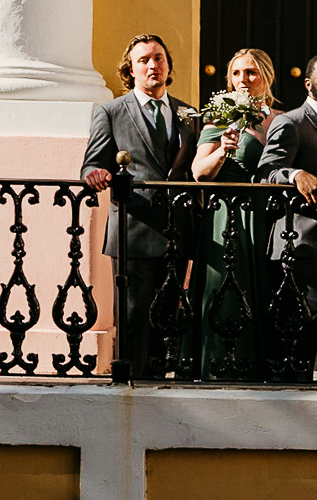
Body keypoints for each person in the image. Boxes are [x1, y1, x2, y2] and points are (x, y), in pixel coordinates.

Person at [81, 34, 199, 379]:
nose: (153, 65)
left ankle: (163, 380)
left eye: (159, 58)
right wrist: (97, 174)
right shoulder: (111, 112)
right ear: (130, 69)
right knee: (132, 315)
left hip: (177, 227)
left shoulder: (187, 113)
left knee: (169, 312)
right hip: (134, 228)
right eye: (144, 60)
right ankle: (131, 381)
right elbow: (90, 164)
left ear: (168, 66)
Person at [189, 46, 283, 379]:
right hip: (226, 215)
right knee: (224, 286)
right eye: (238, 73)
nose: (244, 79)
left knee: (261, 289)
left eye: (252, 72)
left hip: (265, 217)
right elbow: (199, 172)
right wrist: (223, 152)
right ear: (229, 79)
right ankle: (218, 363)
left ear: (266, 78)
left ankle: (255, 364)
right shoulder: (220, 116)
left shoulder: (280, 119)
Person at [256, 51, 317, 378]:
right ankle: (291, 389)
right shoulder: (290, 122)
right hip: (300, 239)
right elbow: (266, 172)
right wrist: (295, 175)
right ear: (309, 84)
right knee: (303, 319)